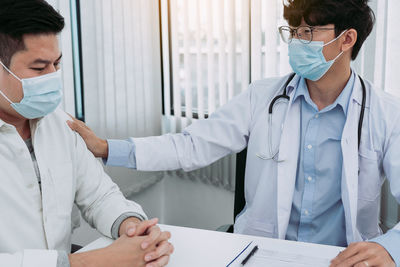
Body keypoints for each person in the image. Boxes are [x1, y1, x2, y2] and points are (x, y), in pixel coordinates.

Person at [68, 0, 399, 266]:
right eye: (294, 31)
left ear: (347, 38)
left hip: (344, 259)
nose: (297, 41)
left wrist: (389, 249)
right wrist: (106, 147)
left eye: (309, 31)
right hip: (262, 252)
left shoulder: (386, 114)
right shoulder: (262, 97)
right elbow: (192, 145)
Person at [0, 1, 174, 267]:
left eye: (56, 64)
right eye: (38, 68)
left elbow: (99, 196)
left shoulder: (61, 124)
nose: (52, 77)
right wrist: (90, 261)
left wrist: (134, 229)